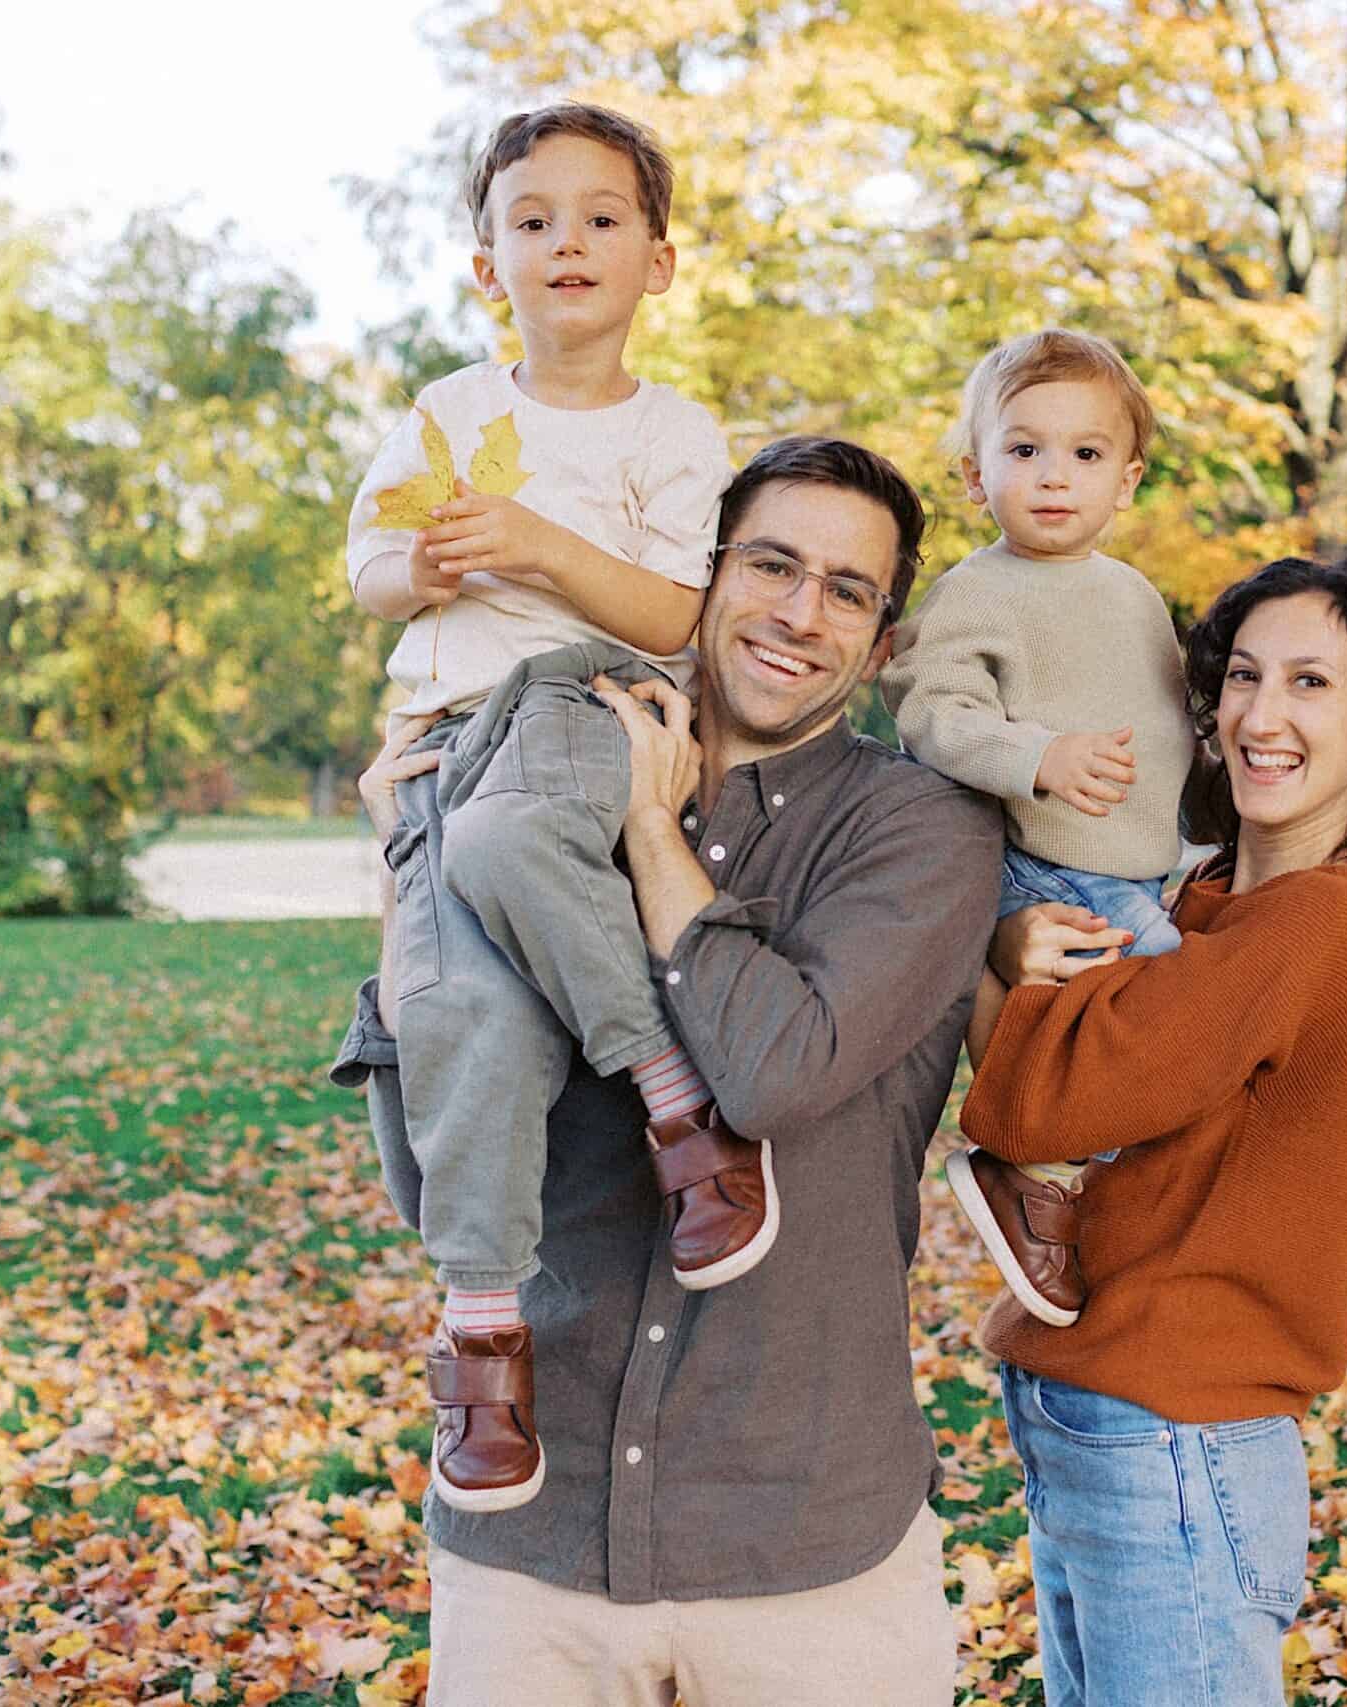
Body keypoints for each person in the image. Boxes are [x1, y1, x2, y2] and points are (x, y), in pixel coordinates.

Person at [334, 437, 1004, 1707]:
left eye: (847, 591)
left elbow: (770, 1076)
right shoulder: (536, 781)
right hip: (533, 1539)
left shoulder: (925, 831)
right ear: (705, 574)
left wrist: (651, 838)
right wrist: (414, 876)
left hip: (808, 1550)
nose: (800, 614)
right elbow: (433, 1190)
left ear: (882, 636)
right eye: (771, 564)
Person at [957, 555, 1347, 1707]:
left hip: (1178, 1431)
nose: (1261, 715)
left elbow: (1053, 1099)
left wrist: (991, 955)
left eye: (1312, 684)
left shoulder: (1328, 919)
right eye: (1244, 677)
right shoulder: (1198, 896)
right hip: (1094, 1412)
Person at [337, 102, 753, 1515]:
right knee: (465, 1011)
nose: (564, 239)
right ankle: (478, 1323)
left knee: (510, 838)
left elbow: (681, 610)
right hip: (446, 735)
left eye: (599, 216)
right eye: (532, 219)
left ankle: (672, 1096)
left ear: (659, 261)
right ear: (484, 262)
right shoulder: (451, 412)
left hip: (586, 708)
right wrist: (431, 575)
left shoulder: (674, 430)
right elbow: (373, 561)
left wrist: (537, 548)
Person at [878, 328, 1193, 1330]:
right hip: (1051, 868)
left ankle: (1070, 1191)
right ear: (975, 474)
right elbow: (930, 713)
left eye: (1085, 455)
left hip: (1140, 866)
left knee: (1145, 1033)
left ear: (1127, 481)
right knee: (1176, 1028)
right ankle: (1051, 1179)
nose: (1054, 477)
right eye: (1023, 451)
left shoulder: (1133, 595)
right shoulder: (978, 592)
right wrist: (1036, 755)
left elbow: (1168, 726)